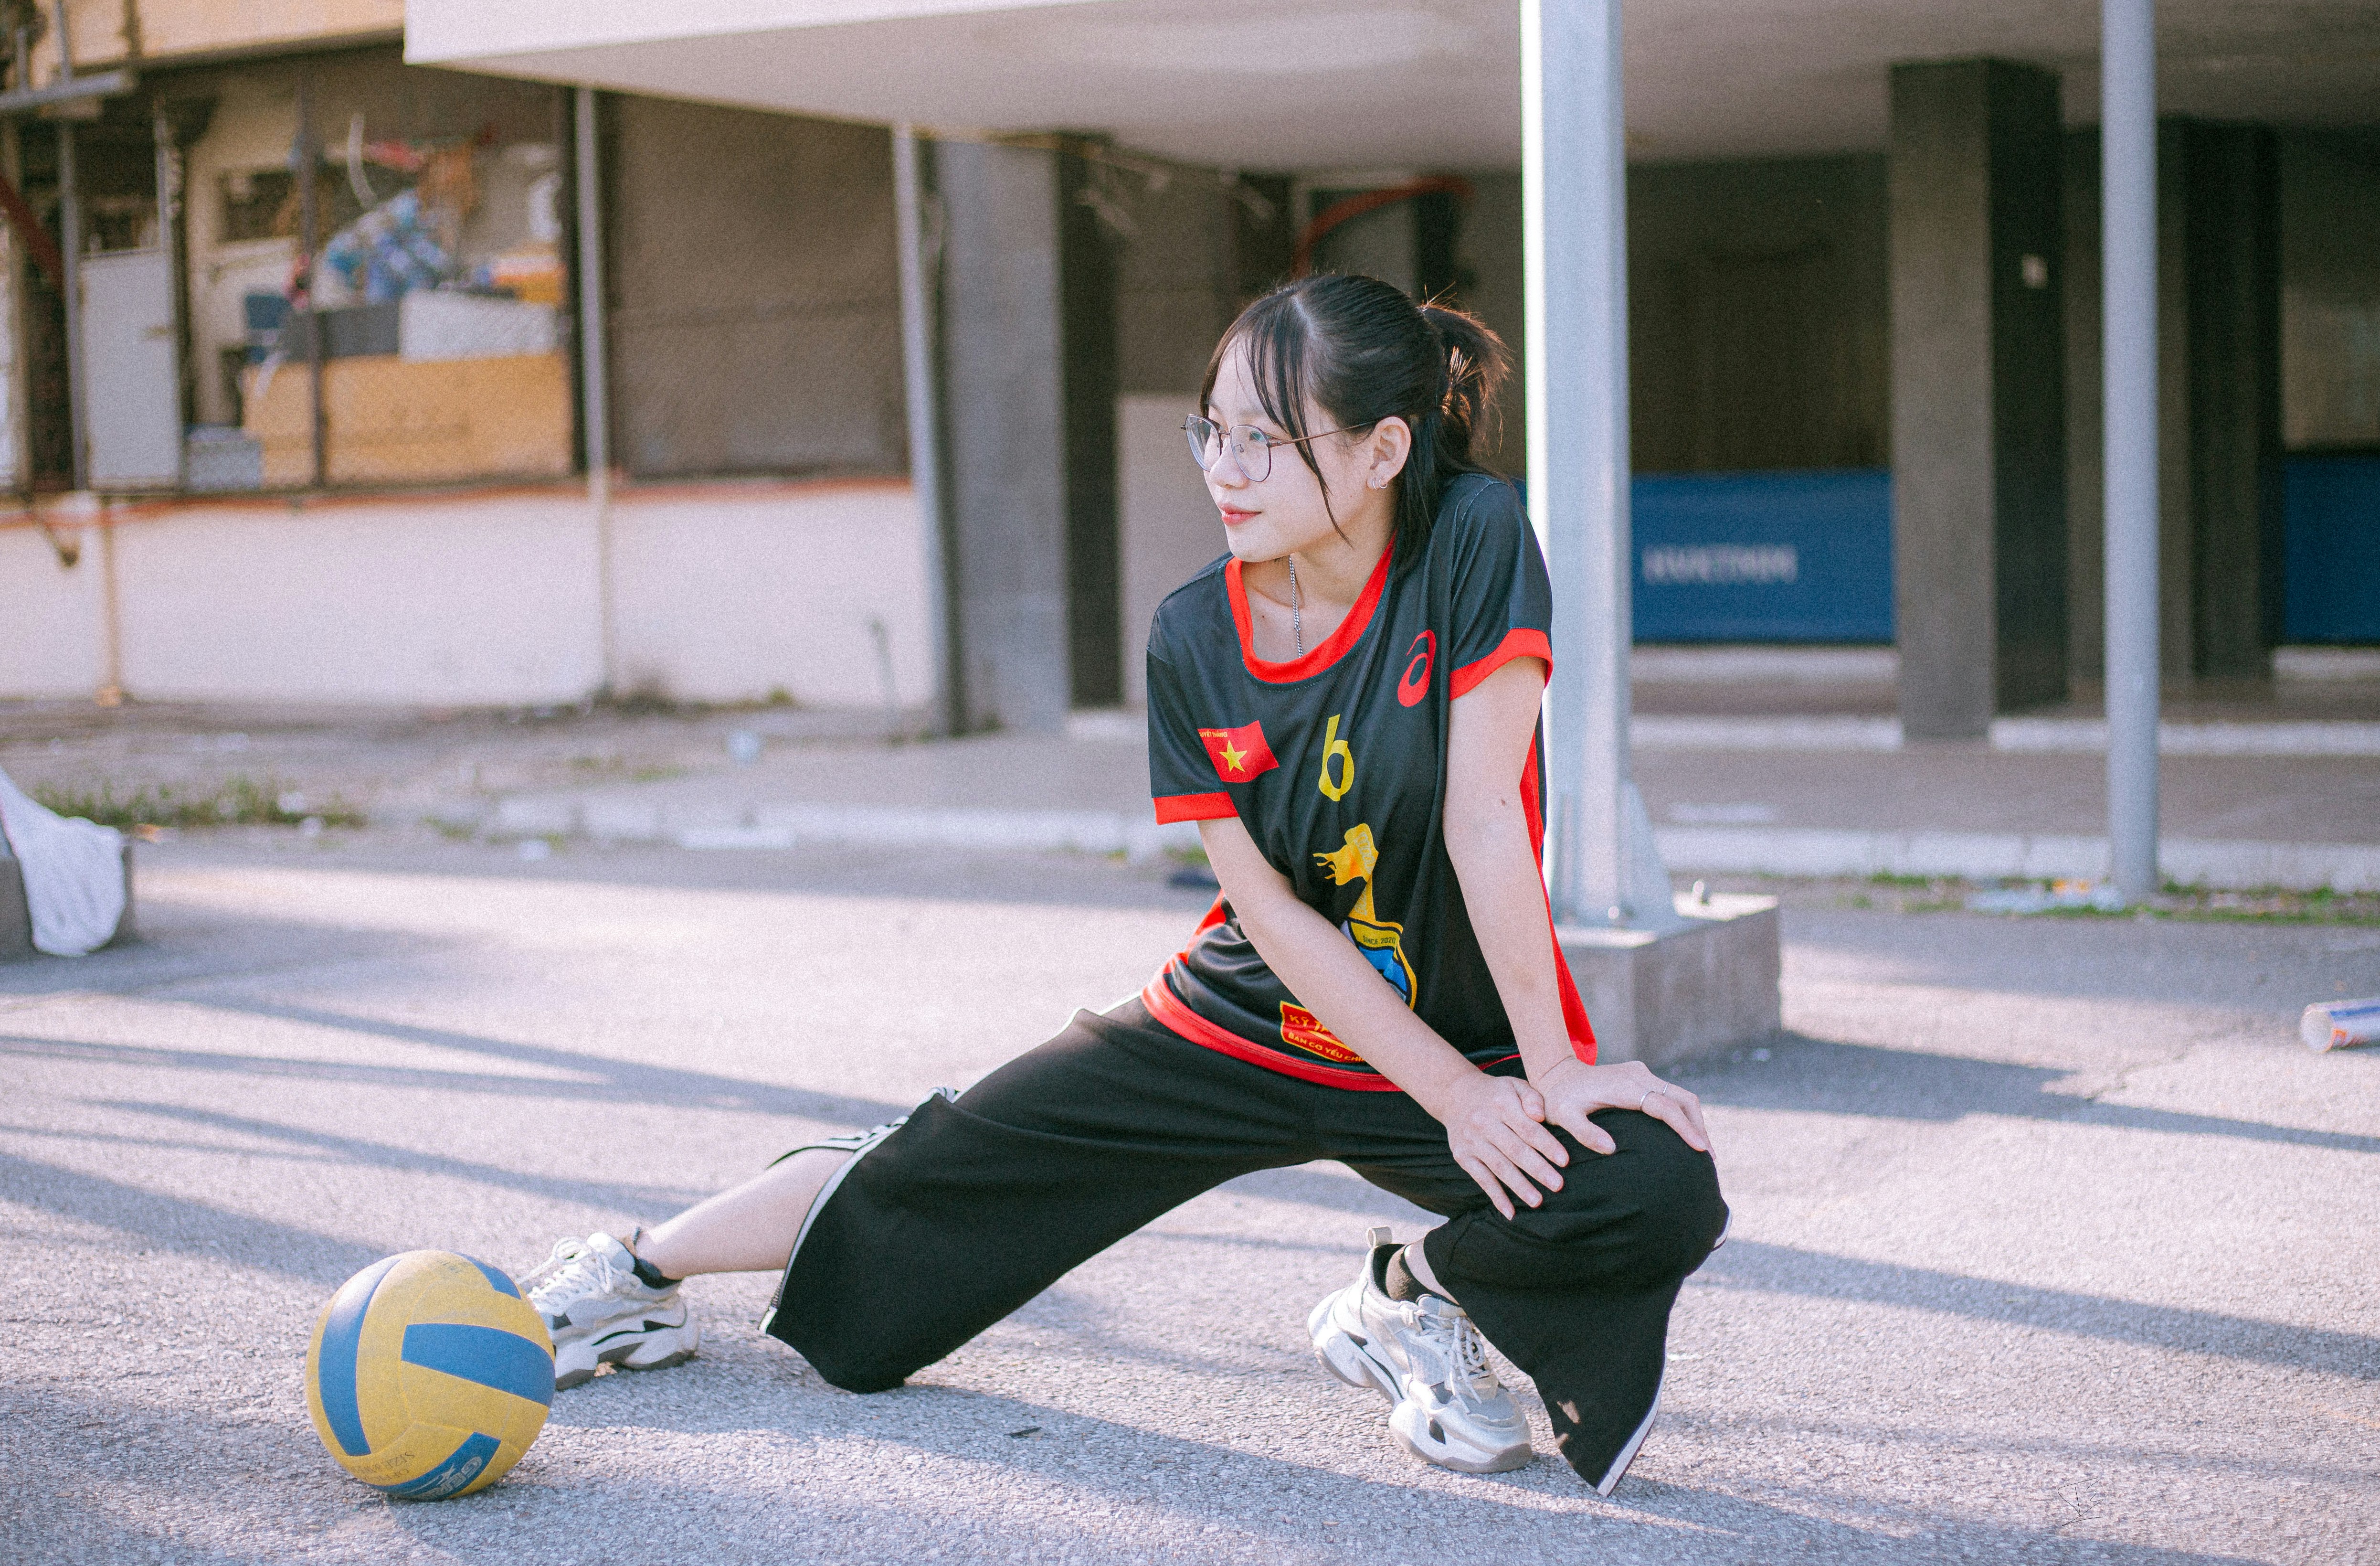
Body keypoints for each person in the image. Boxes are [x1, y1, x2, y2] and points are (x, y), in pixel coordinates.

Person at [517, 274, 1728, 1493]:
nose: (1227, 468)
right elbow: (1267, 909)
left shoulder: (1470, 539)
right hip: (1242, 1018)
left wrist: (1537, 1080)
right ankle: (637, 1273)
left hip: (1452, 1030)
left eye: (1268, 437)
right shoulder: (1193, 635)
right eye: (1214, 429)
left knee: (1652, 1187)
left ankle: (1409, 1300)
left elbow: (1482, 818)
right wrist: (1462, 1104)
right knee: (909, 1227)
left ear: (1381, 450)